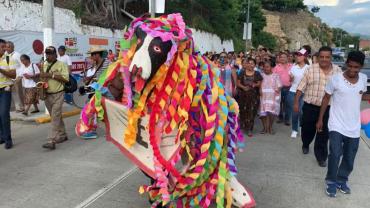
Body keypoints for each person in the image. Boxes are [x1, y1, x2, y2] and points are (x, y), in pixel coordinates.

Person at [316, 51, 370, 197]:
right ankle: (331, 182)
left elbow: (360, 94)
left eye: (356, 67)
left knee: (349, 157)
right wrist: (320, 119)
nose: (352, 70)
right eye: (350, 66)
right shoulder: (336, 79)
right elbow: (326, 98)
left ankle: (342, 180)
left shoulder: (364, 79)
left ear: (361, 66)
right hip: (336, 124)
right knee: (335, 154)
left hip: (354, 126)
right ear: (347, 63)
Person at [294, 46, 342, 167]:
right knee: (307, 130)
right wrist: (296, 103)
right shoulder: (310, 69)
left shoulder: (338, 71)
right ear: (318, 57)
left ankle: (321, 156)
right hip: (310, 107)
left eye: (327, 57)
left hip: (328, 109)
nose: (324, 59)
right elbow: (300, 87)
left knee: (323, 133)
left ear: (331, 57)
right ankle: (305, 143)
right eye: (322, 57)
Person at [79, 46, 112, 139]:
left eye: (93, 55)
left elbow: (109, 77)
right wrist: (89, 80)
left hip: (106, 91)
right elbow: (97, 78)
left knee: (92, 109)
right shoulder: (95, 64)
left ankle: (92, 130)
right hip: (98, 91)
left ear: (97, 54)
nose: (91, 57)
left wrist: (94, 82)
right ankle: (93, 129)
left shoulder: (108, 63)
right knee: (94, 110)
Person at [40, 46, 69, 150]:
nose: (48, 56)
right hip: (47, 94)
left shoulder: (62, 64)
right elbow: (42, 78)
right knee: (55, 116)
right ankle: (63, 135)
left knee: (55, 116)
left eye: (50, 54)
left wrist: (51, 75)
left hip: (58, 94)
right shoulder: (44, 64)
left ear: (55, 54)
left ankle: (51, 140)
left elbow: (66, 79)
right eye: (47, 54)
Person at [236, 58, 263, 137]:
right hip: (243, 95)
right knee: (243, 110)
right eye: (249, 63)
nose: (250, 65)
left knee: (252, 112)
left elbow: (259, 83)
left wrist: (255, 85)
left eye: (252, 63)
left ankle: (250, 129)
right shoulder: (242, 72)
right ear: (246, 64)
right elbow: (238, 83)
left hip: (253, 96)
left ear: (255, 65)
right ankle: (243, 125)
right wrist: (243, 87)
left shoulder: (257, 73)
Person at [287, 49, 310, 138]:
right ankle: (294, 129)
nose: (297, 57)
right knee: (295, 112)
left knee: (302, 112)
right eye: (297, 55)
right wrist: (291, 78)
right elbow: (290, 81)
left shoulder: (308, 68)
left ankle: (301, 126)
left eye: (300, 55)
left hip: (304, 93)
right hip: (293, 92)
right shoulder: (293, 66)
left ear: (304, 57)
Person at [0, 39, 16, 149]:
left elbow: (13, 75)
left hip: (5, 90)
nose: (5, 49)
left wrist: (1, 70)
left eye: (5, 47)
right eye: (2, 47)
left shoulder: (8, 58)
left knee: (4, 114)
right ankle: (2, 137)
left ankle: (8, 139)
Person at [260, 61, 281, 134]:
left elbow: (279, 85)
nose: (265, 68)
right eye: (264, 67)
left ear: (271, 68)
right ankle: (264, 127)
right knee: (262, 113)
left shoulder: (276, 75)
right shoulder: (261, 75)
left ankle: (270, 127)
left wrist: (278, 89)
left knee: (272, 113)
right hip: (263, 96)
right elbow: (258, 84)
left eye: (267, 67)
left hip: (272, 97)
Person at [273, 52, 293, 125]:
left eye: (284, 57)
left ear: (287, 58)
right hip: (279, 88)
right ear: (279, 58)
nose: (283, 58)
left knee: (288, 104)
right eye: (281, 57)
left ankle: (287, 119)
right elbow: (273, 78)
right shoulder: (276, 67)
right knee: (279, 103)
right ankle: (280, 117)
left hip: (289, 87)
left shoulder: (292, 66)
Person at [5, 41, 23, 112]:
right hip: (9, 77)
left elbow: (22, 65)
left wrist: (20, 76)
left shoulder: (17, 55)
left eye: (9, 47)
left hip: (17, 77)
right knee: (10, 93)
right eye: (6, 47)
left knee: (19, 92)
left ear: (13, 47)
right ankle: (14, 107)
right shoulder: (5, 55)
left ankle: (22, 107)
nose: (7, 48)